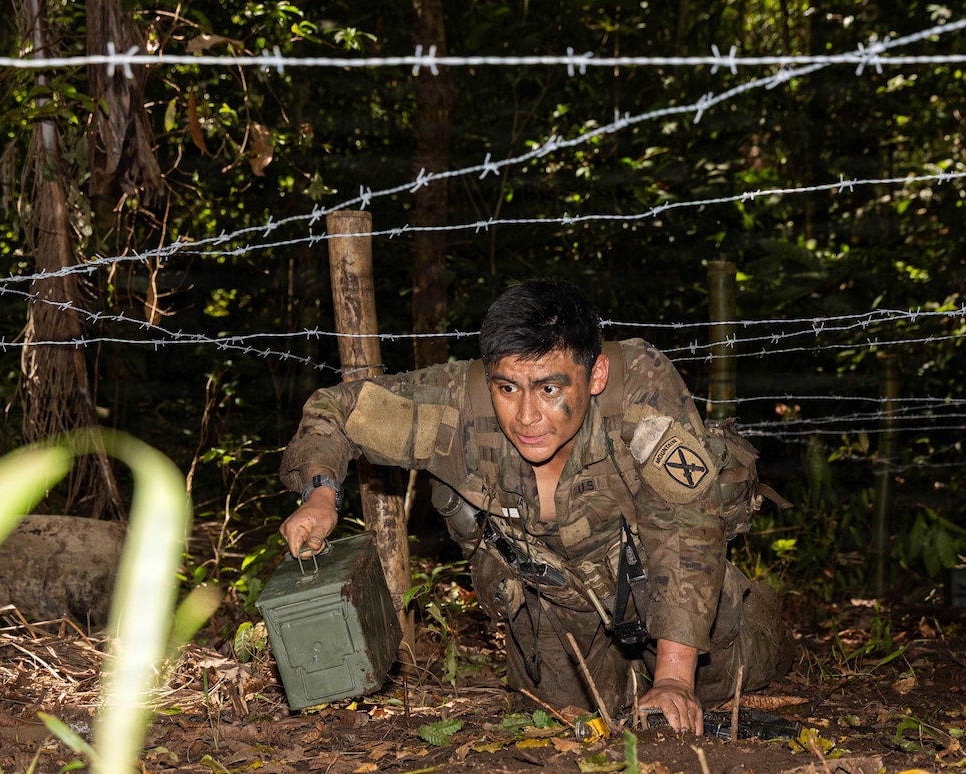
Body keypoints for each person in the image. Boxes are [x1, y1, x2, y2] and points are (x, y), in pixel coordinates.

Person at [278, 278, 792, 734]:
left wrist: (677, 678)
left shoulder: (638, 391)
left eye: (549, 389)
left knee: (719, 686)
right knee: (567, 719)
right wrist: (322, 494)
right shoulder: (455, 405)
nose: (526, 415)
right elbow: (336, 410)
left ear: (595, 376)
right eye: (507, 388)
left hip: (655, 584)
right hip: (555, 607)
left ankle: (759, 620)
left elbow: (685, 523)